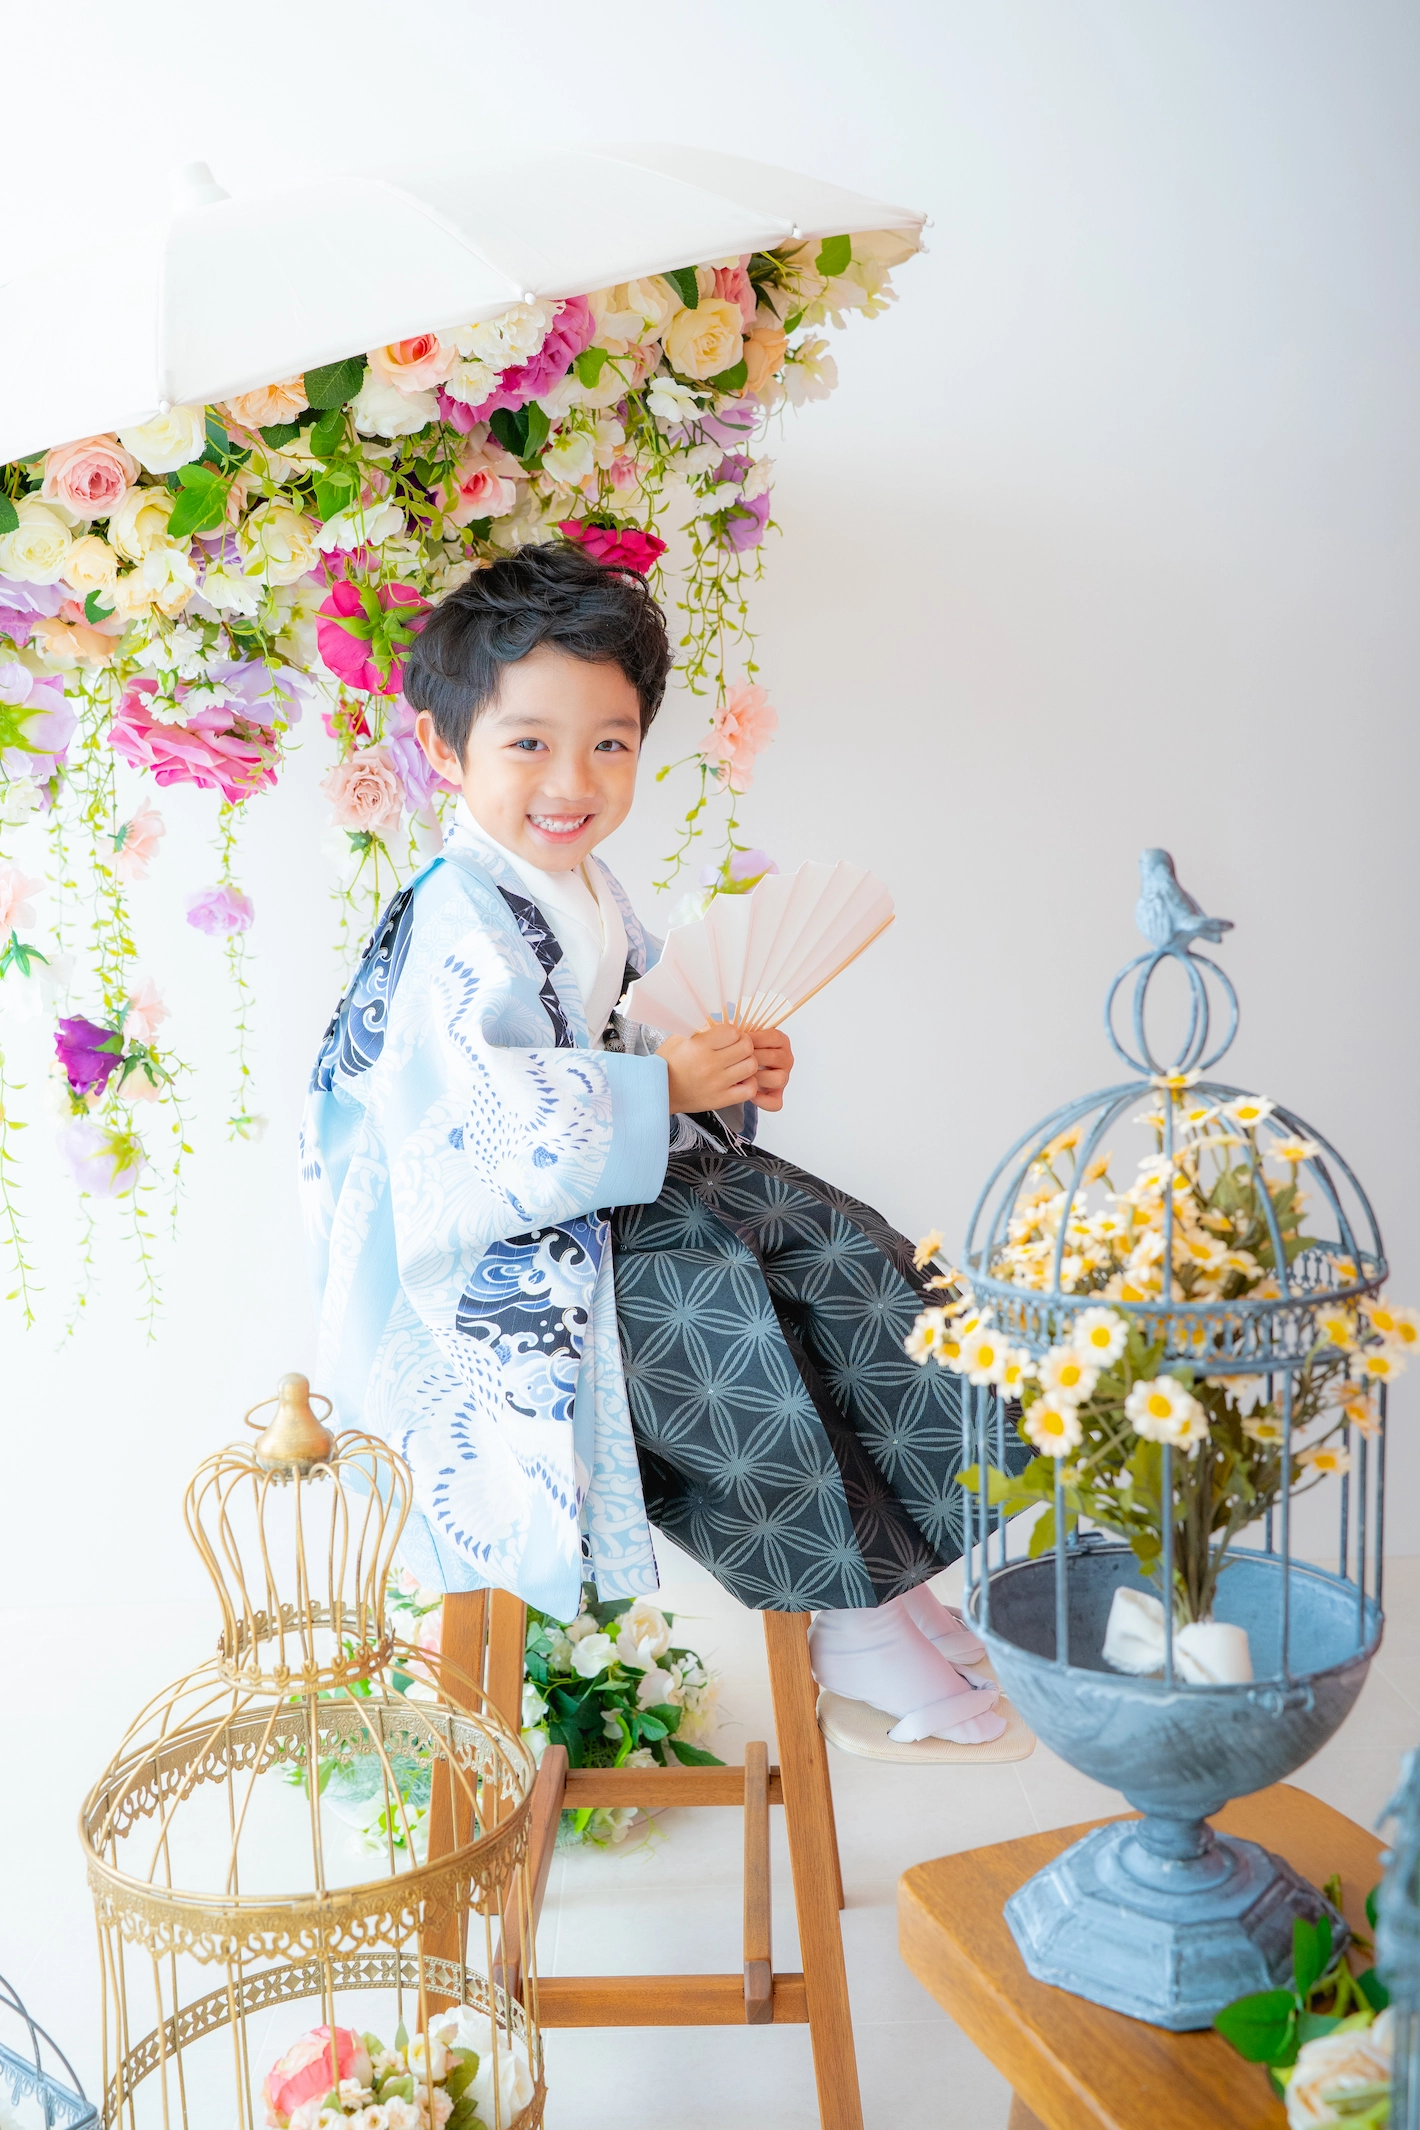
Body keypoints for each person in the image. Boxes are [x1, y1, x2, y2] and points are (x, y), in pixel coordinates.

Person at [301, 546, 1012, 1745]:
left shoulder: (583, 888)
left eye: (609, 744)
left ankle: (895, 1580)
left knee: (839, 1247)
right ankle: (847, 1607)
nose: (570, 781)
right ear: (442, 748)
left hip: (596, 1195)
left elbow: (629, 1032)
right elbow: (474, 1121)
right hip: (486, 1261)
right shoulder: (452, 916)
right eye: (529, 743)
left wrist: (710, 1071)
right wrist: (655, 1086)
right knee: (723, 1308)